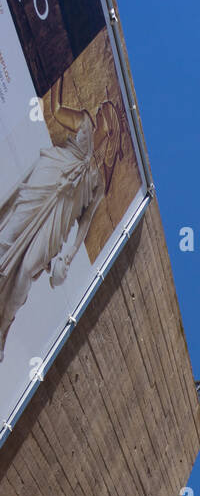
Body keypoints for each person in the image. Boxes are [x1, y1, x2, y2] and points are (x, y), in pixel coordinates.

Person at [0, 74, 126, 360]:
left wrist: (68, 255)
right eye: (105, 109)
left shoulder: (99, 182)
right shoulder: (84, 123)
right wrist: (58, 81)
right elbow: (56, 110)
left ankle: (3, 324)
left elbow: (85, 223)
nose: (104, 110)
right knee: (10, 235)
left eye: (110, 115)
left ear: (113, 131)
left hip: (61, 218)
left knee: (29, 267)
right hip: (47, 180)